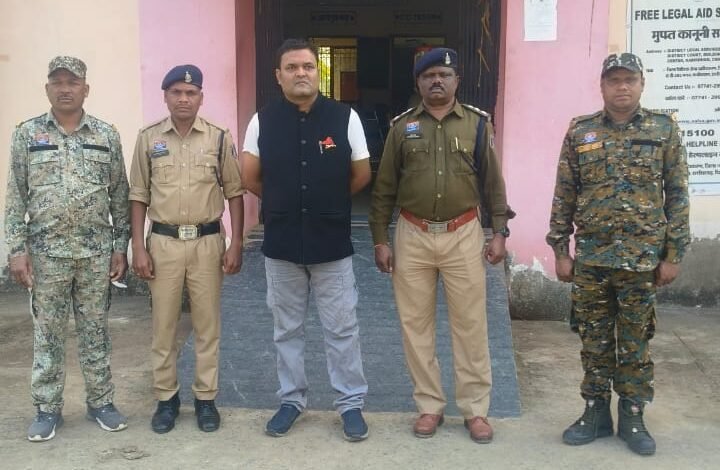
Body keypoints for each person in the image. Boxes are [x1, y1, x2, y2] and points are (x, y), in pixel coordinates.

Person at [546, 52, 690, 456]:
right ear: (602, 86)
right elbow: (564, 194)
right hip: (592, 260)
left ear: (642, 84)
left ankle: (632, 415)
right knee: (592, 339)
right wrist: (560, 249)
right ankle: (595, 412)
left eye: (629, 80)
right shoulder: (581, 131)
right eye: (614, 80)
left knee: (635, 342)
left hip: (642, 261)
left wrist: (674, 253)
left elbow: (678, 194)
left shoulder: (663, 129)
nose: (622, 87)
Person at [368, 47, 511, 444]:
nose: (436, 81)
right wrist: (380, 239)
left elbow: (493, 183)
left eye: (444, 75)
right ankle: (429, 405)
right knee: (415, 326)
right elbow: (384, 188)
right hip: (412, 235)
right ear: (418, 83)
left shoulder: (477, 125)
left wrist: (499, 231)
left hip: (463, 233)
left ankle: (475, 410)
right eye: (429, 75)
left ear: (456, 81)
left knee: (470, 325)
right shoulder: (402, 128)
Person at [241, 38, 371, 442]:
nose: (301, 73)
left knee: (342, 328)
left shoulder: (344, 117)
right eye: (292, 67)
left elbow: (361, 174)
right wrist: (285, 203)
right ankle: (291, 401)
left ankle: (350, 404)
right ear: (278, 75)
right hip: (282, 244)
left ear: (318, 73)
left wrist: (325, 202)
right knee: (286, 329)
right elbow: (249, 176)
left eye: (308, 67)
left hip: (331, 242)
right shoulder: (262, 120)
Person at [5, 56, 130, 441]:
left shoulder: (106, 135)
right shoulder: (27, 134)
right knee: (48, 334)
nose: (65, 89)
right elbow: (16, 194)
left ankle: (101, 402)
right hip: (46, 256)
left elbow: (120, 195)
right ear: (47, 88)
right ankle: (47, 409)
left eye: (72, 82)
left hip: (95, 255)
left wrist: (120, 246)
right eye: (57, 82)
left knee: (96, 331)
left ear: (85, 89)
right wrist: (16, 249)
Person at [128, 64, 245, 434]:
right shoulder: (148, 138)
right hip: (163, 243)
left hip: (208, 244)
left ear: (201, 98)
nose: (183, 99)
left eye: (190, 93)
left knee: (207, 325)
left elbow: (235, 192)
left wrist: (237, 242)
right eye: (176, 92)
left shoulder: (219, 138)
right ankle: (167, 398)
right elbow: (138, 195)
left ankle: (206, 398)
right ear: (165, 96)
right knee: (163, 326)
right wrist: (138, 246)